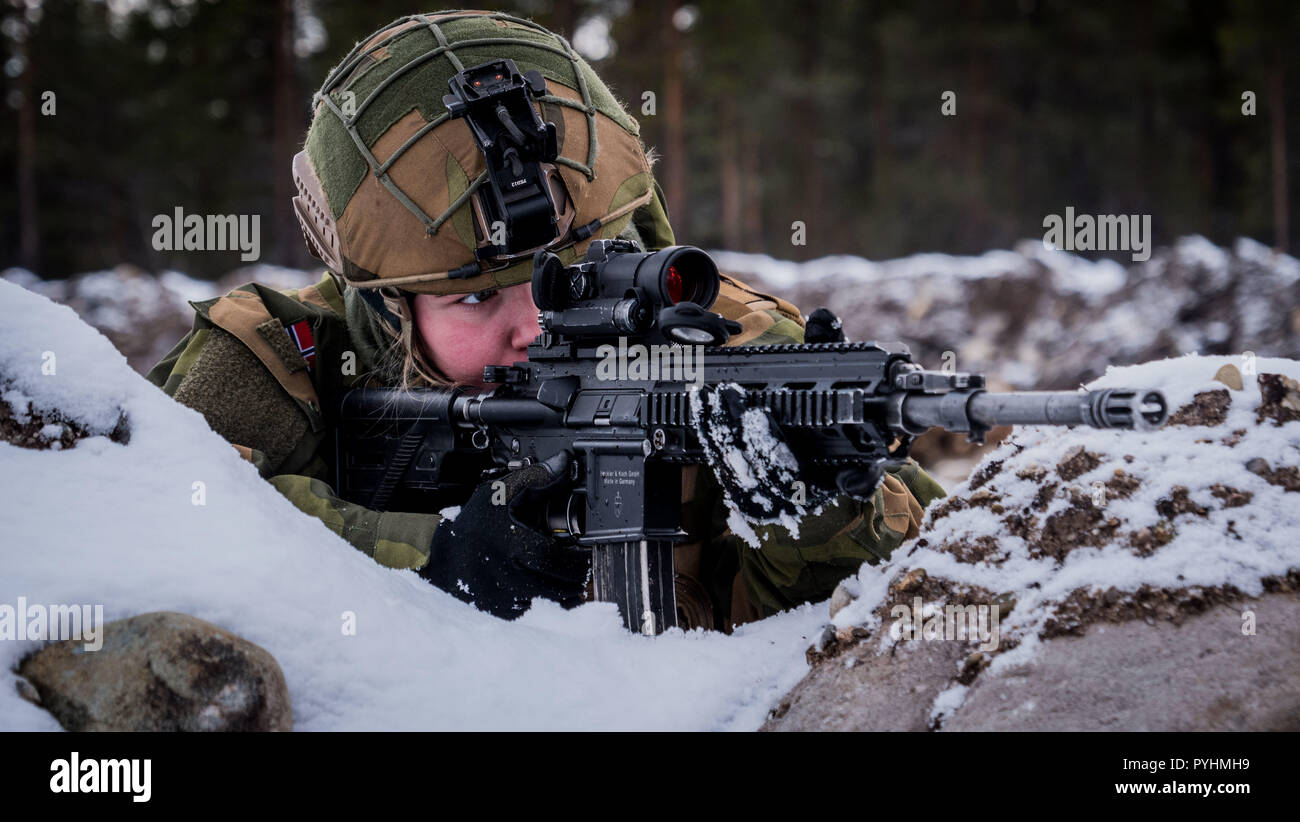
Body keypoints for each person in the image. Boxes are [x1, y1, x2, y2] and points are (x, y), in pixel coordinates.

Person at [148, 10, 945, 630]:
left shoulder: (734, 356)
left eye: (572, 276)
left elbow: (937, 591)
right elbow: (153, 522)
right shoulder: (277, 364)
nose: (536, 326)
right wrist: (432, 560)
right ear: (386, 310)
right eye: (475, 297)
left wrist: (820, 521)